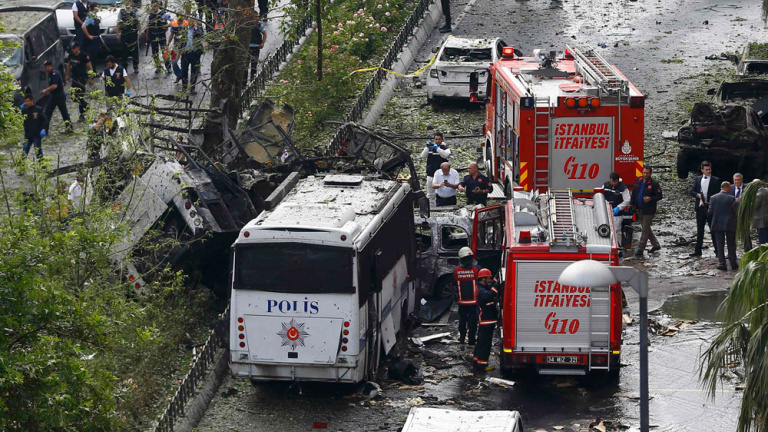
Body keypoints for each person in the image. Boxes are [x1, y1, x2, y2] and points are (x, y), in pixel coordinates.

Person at [690, 161, 721, 257]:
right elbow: (692, 191)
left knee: (713, 230)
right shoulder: (698, 179)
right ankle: (698, 250)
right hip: (700, 207)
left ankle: (718, 251)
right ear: (702, 170)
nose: (708, 171)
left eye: (709, 169)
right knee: (700, 230)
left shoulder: (716, 180)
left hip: (711, 207)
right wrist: (697, 195)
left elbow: (718, 194)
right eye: (706, 170)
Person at [631, 166, 663, 258]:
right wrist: (632, 204)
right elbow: (634, 193)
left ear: (650, 173)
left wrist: (651, 198)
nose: (645, 174)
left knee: (645, 230)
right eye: (644, 172)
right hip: (640, 208)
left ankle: (640, 249)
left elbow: (660, 196)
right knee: (646, 228)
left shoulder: (654, 184)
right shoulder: (639, 180)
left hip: (649, 210)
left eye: (647, 173)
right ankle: (655, 244)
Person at [708, 181, 738, 271]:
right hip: (729, 223)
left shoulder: (713, 198)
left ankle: (722, 263)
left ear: (721, 188)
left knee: (719, 244)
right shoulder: (731, 198)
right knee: (731, 243)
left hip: (717, 223)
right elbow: (735, 211)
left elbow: (710, 212)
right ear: (727, 187)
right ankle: (733, 263)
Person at [453, 247, 480, 347]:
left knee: (462, 321)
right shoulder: (477, 269)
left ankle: (462, 338)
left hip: (462, 302)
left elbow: (454, 285)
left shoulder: (456, 271)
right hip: (474, 302)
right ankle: (471, 340)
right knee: (473, 322)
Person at [473, 268, 498, 371]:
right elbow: (489, 295)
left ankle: (476, 361)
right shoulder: (481, 290)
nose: (490, 280)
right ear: (483, 279)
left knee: (480, 342)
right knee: (485, 343)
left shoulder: (482, 287)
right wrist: (497, 287)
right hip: (486, 320)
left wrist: (495, 280)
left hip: (486, 320)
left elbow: (489, 287)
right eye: (488, 278)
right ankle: (482, 365)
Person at [40, 61, 73, 134]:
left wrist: (46, 90)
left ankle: (69, 128)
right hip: (53, 96)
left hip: (59, 96)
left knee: (64, 113)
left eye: (46, 67)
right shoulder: (50, 74)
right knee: (47, 113)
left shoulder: (55, 74)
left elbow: (55, 86)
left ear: (50, 66)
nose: (45, 69)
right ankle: (45, 130)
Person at [65, 43, 93, 123]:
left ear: (78, 48)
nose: (73, 50)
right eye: (72, 48)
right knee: (74, 96)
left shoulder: (83, 55)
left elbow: (90, 66)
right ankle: (86, 105)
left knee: (80, 96)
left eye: (74, 48)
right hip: (74, 77)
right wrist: (66, 75)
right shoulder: (71, 55)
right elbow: (69, 65)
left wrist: (91, 77)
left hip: (82, 78)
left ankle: (82, 114)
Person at [420, 132, 450, 203]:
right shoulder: (430, 148)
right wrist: (427, 148)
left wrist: (438, 149)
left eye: (439, 139)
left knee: (441, 192)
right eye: (436, 139)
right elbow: (422, 156)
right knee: (430, 194)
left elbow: (445, 155)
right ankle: (431, 207)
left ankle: (442, 205)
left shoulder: (445, 148)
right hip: (431, 174)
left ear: (442, 140)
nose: (437, 141)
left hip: (441, 175)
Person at [602, 171, 631, 245]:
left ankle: (617, 246)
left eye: (615, 182)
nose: (613, 183)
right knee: (605, 230)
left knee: (616, 231)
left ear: (618, 180)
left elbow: (627, 200)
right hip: (606, 212)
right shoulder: (605, 186)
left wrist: (619, 208)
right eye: (612, 181)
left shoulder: (623, 188)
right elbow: (601, 196)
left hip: (617, 214)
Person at [180, 17, 205, 94]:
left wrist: (196, 28)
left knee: (194, 71)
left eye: (192, 21)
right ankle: (184, 86)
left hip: (195, 53)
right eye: (189, 21)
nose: (190, 23)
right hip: (185, 53)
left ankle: (192, 87)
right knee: (184, 70)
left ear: (195, 22)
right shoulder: (184, 29)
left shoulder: (199, 29)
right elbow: (181, 40)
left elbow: (201, 36)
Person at [146, 3, 172, 74]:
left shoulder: (164, 14)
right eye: (152, 6)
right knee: (155, 53)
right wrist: (147, 36)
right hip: (153, 36)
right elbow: (148, 26)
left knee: (165, 52)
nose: (153, 8)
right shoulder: (150, 16)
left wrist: (167, 25)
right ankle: (158, 67)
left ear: (158, 6)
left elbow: (172, 21)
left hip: (161, 36)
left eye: (154, 6)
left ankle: (168, 67)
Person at [21, 94, 48, 160]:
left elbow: (45, 120)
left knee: (38, 152)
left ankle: (42, 164)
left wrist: (44, 129)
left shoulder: (38, 109)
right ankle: (21, 164)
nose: (26, 103)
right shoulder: (24, 111)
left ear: (32, 101)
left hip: (36, 134)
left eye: (27, 101)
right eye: (25, 101)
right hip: (28, 134)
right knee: (24, 152)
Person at [117, 1, 141, 74]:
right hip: (124, 33)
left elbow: (138, 22)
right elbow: (118, 22)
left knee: (135, 50)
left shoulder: (135, 10)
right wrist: (117, 34)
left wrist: (140, 32)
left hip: (133, 33)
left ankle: (135, 66)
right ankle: (124, 67)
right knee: (124, 51)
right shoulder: (122, 11)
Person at [245, 10, 266, 84]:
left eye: (257, 17)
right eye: (255, 17)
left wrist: (262, 43)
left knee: (254, 64)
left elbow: (264, 33)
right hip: (247, 47)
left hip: (256, 47)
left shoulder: (259, 25)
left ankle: (252, 81)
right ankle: (244, 82)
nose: (257, 18)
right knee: (245, 65)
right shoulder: (246, 25)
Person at [168, 14, 190, 84]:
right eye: (180, 16)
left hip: (185, 45)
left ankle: (184, 76)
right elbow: (171, 34)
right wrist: (168, 44)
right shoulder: (174, 24)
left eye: (183, 16)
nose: (181, 17)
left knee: (184, 62)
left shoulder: (187, 23)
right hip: (176, 45)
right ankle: (179, 74)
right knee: (174, 61)